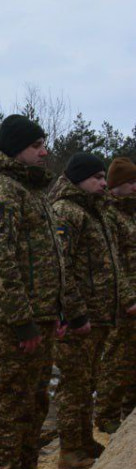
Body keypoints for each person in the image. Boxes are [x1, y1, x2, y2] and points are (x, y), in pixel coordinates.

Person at [0, 115, 79, 469]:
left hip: (41, 316)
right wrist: (22, 322)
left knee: (35, 400)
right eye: (37, 145)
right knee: (12, 403)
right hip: (18, 322)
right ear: (17, 149)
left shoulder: (30, 191)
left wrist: (58, 310)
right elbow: (0, 262)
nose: (45, 151)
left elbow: (48, 260)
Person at [49, 153, 136, 469]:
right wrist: (75, 313)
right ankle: (70, 450)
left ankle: (84, 440)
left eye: (104, 177)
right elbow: (61, 267)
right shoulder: (66, 212)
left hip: (100, 314)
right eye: (97, 177)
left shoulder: (96, 213)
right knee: (74, 384)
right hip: (80, 318)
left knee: (87, 381)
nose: (103, 183)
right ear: (78, 178)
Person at [96, 156, 136, 431]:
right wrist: (128, 298)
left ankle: (129, 416)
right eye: (131, 182)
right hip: (122, 303)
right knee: (116, 362)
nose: (135, 187)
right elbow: (111, 261)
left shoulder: (130, 213)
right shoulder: (108, 214)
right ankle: (107, 419)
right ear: (116, 185)